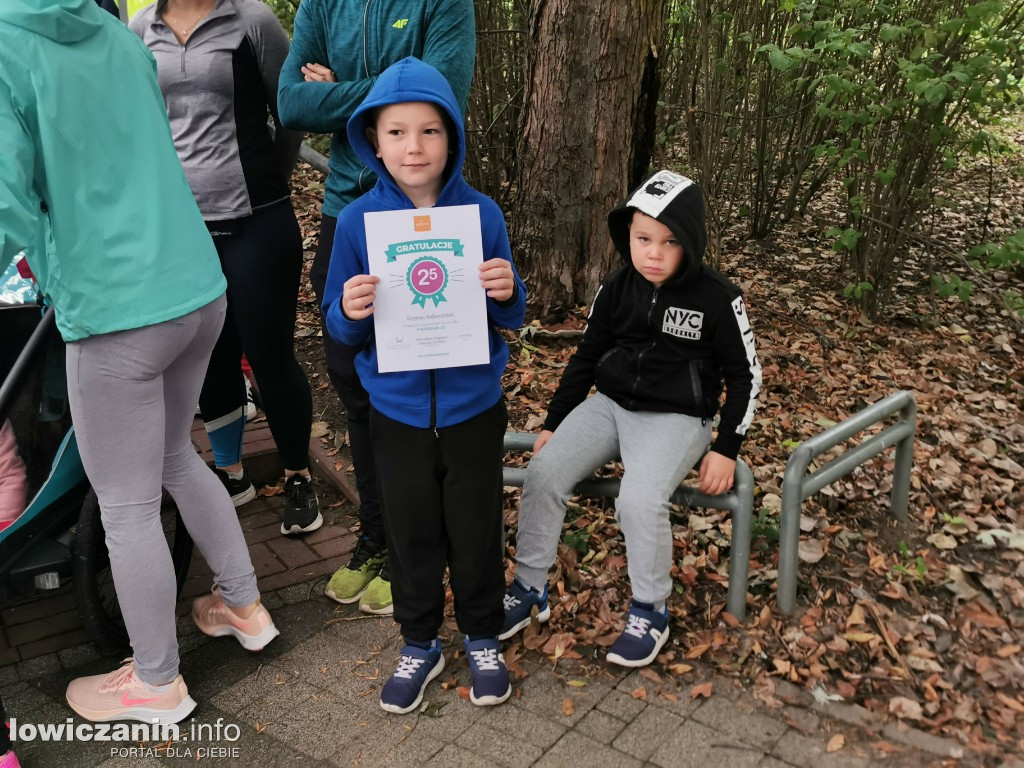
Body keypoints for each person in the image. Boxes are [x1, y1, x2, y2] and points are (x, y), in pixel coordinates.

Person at [0, 0, 278, 723]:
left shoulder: (5, 46)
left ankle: (156, 684)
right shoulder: (118, 38)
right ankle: (245, 606)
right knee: (176, 460)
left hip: (117, 309)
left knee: (125, 506)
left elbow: (4, 204)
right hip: (193, 285)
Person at [323, 57, 526, 713]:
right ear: (373, 140)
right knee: (411, 532)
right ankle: (418, 640)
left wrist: (505, 291)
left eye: (431, 131)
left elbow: (510, 312)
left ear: (454, 137)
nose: (414, 147)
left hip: (473, 408)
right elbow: (337, 324)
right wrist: (349, 310)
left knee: (475, 530)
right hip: (397, 412)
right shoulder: (357, 224)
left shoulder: (481, 213)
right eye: (397, 132)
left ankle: (481, 634)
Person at [500, 170, 763, 668]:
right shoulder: (618, 286)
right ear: (628, 237)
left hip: (678, 418)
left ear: (691, 242)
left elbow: (746, 376)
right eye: (643, 239)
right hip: (610, 406)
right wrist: (555, 423)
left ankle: (650, 610)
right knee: (544, 470)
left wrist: (727, 447)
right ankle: (529, 589)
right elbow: (586, 355)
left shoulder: (717, 297)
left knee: (639, 500)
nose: (654, 254)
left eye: (669, 242)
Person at [278, 0, 476, 613]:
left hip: (425, 219)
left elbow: (441, 98)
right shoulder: (321, 5)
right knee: (355, 386)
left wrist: (341, 97)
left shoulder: (444, 5)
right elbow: (290, 105)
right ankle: (375, 538)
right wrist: (391, 84)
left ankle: (414, 546)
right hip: (346, 217)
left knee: (416, 388)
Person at [131, 0, 322, 536]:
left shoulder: (252, 20)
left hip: (257, 220)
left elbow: (291, 111)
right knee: (206, 352)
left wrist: (271, 183)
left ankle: (298, 476)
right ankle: (230, 472)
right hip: (182, 229)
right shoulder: (139, 29)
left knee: (268, 353)